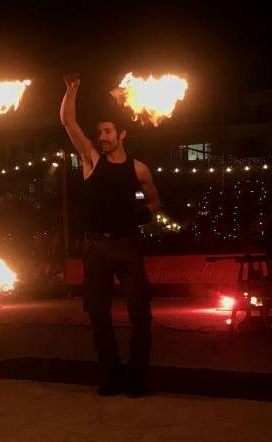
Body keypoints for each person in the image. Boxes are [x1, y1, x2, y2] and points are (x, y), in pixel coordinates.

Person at [59, 73, 161, 397]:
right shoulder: (91, 160)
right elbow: (67, 123)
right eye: (99, 132)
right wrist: (71, 91)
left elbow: (156, 203)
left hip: (128, 246)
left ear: (121, 134)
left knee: (140, 315)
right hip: (96, 247)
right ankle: (111, 377)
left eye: (107, 132)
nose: (102, 136)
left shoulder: (139, 169)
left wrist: (142, 216)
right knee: (99, 316)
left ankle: (137, 376)